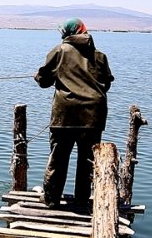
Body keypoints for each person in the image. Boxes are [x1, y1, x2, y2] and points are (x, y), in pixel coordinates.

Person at [34, 17, 114, 209]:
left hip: (65, 115)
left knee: (58, 158)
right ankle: (81, 201)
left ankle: (51, 199)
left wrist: (38, 76)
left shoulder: (60, 51)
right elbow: (106, 84)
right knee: (88, 160)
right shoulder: (99, 56)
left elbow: (44, 81)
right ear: (83, 30)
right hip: (93, 116)